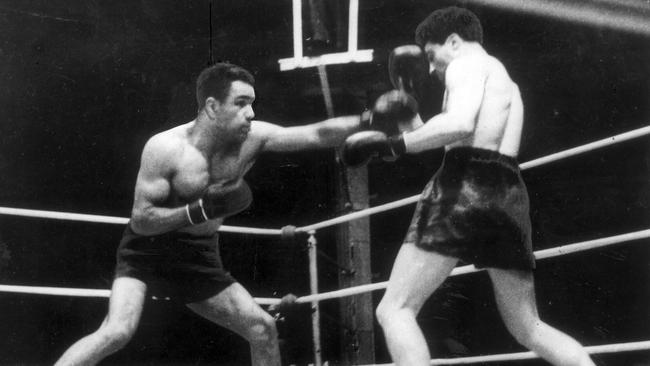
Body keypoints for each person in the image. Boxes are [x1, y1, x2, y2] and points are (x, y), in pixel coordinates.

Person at [54, 62, 365, 366]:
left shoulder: (253, 139)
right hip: (146, 253)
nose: (251, 113)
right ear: (213, 106)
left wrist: (369, 119)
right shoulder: (165, 148)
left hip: (198, 257)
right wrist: (199, 210)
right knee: (116, 332)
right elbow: (142, 220)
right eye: (241, 103)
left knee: (262, 328)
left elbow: (317, 133)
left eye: (252, 103)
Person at [342, 7, 596, 366]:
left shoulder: (465, 65)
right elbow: (467, 137)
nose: (431, 69)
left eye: (432, 56)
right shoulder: (507, 81)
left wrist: (393, 144)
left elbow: (460, 125)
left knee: (395, 309)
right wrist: (409, 116)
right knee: (529, 327)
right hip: (507, 190)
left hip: (463, 185)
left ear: (454, 41)